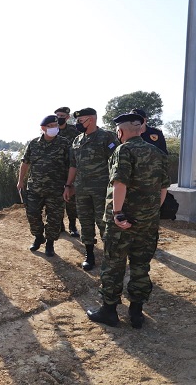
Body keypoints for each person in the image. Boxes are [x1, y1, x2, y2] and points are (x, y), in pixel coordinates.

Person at [86, 113, 170, 328]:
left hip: (122, 222)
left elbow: (119, 184)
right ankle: (136, 313)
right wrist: (150, 212)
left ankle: (109, 311)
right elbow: (163, 188)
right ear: (141, 130)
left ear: (120, 132)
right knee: (141, 265)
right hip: (148, 222)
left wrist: (117, 214)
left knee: (114, 264)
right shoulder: (158, 153)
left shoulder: (123, 150)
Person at [63, 108, 119, 271]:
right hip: (81, 190)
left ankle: (111, 258)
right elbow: (73, 165)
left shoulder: (106, 137)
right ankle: (90, 255)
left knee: (104, 223)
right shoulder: (77, 140)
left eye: (81, 121)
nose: (77, 124)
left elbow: (116, 162)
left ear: (91, 120)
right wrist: (68, 185)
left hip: (102, 190)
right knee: (85, 222)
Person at [17, 115, 70, 256]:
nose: (55, 128)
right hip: (35, 187)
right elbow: (25, 162)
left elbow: (72, 165)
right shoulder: (33, 144)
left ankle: (50, 243)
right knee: (32, 214)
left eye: (56, 125)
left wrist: (69, 185)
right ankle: (38, 237)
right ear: (43, 128)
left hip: (56, 188)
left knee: (54, 218)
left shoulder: (64, 144)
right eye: (51, 125)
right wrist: (20, 180)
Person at [54, 107, 80, 237]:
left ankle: (72, 225)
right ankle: (59, 225)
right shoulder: (53, 130)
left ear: (67, 117)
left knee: (70, 199)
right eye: (57, 115)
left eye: (62, 115)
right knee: (57, 199)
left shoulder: (74, 131)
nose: (59, 117)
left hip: (71, 168)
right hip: (56, 170)